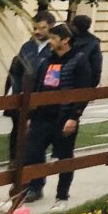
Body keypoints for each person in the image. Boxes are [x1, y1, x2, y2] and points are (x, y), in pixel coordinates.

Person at [21, 23, 88, 202]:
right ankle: (34, 188)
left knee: (64, 157)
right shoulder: (46, 60)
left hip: (64, 116)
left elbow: (83, 91)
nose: (49, 42)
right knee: (32, 153)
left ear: (65, 40)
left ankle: (62, 194)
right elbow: (37, 87)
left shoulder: (78, 59)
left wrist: (74, 116)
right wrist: (30, 115)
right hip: (42, 116)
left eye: (53, 38)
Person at [5, 11, 55, 142]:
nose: (37, 32)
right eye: (35, 28)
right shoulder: (27, 47)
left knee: (35, 136)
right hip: (22, 96)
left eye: (42, 28)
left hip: (41, 98)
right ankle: (14, 160)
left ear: (51, 27)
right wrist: (14, 92)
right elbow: (16, 71)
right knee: (17, 131)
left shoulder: (54, 48)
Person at [68, 15, 103, 90]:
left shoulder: (68, 39)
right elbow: (96, 66)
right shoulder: (94, 42)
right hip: (84, 83)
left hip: (69, 81)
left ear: (75, 26)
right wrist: (93, 84)